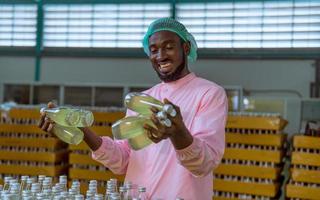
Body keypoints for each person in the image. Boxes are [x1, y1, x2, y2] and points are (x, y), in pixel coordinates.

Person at [39, 17, 228, 200]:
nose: (161, 56)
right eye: (154, 50)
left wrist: (178, 134)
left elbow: (205, 163)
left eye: (169, 47)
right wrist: (81, 129)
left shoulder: (209, 94)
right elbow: (123, 160)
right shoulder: (142, 99)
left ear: (185, 48)